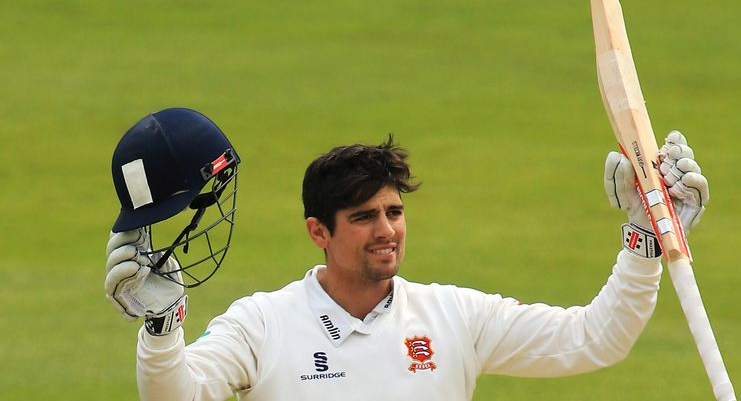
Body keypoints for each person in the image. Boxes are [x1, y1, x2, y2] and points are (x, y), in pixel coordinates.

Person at [105, 110, 709, 400]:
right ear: (319, 231)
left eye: (393, 212)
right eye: (363, 218)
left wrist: (644, 244)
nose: (386, 230)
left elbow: (595, 339)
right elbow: (177, 396)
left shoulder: (454, 317)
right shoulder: (261, 324)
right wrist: (161, 330)